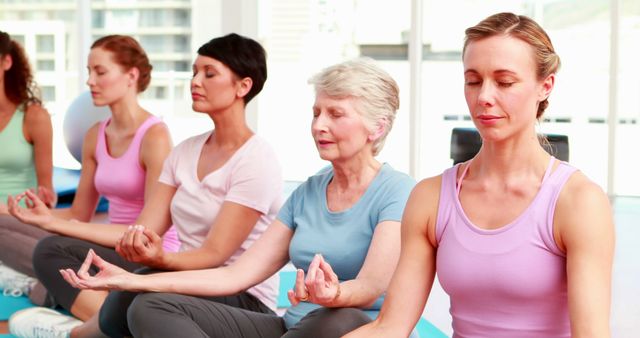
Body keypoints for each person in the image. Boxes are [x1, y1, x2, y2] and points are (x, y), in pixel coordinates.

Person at [59, 58, 415, 338]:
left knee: (339, 319)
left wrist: (332, 296)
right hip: (288, 329)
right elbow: (235, 276)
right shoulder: (307, 192)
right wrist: (132, 280)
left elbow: (369, 288)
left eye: (336, 114)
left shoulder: (396, 190)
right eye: (316, 112)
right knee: (147, 306)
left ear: (377, 127)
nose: (319, 125)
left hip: (344, 329)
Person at [345, 12, 615, 338]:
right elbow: (390, 327)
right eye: (473, 80)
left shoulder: (578, 202)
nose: (484, 96)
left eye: (504, 82)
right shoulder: (431, 198)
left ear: (546, 85)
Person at [8, 33, 283, 338]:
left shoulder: (256, 160)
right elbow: (145, 228)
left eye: (209, 73)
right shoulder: (185, 151)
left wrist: (158, 262)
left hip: (242, 296)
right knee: (131, 283)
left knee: (142, 290)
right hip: (188, 275)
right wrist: (51, 222)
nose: (195, 81)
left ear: (243, 86)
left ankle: (77, 334)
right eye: (193, 72)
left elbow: (215, 254)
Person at [6, 34, 179, 335]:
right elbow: (79, 212)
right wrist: (32, 216)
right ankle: (104, 315)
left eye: (100, 72)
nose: (90, 81)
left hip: (147, 256)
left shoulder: (155, 137)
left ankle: (107, 325)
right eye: (88, 72)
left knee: (49, 249)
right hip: (112, 246)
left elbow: (146, 236)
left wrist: (54, 226)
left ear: (131, 76)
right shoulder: (95, 135)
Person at [0, 30, 55, 294]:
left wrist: (45, 200)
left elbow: (47, 190)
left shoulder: (33, 116)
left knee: (53, 250)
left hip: (20, 219)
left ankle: (38, 280)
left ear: (6, 62)